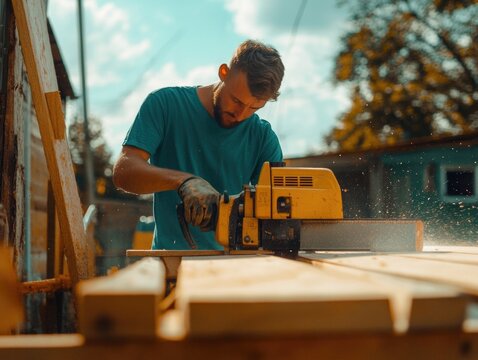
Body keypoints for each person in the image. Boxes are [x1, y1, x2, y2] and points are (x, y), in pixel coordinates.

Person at [113, 39, 285, 250]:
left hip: (236, 267)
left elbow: (277, 215)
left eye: (254, 108)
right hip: (170, 263)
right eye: (237, 101)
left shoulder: (263, 138)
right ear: (224, 72)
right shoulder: (165, 105)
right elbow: (123, 171)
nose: (240, 115)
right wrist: (184, 182)